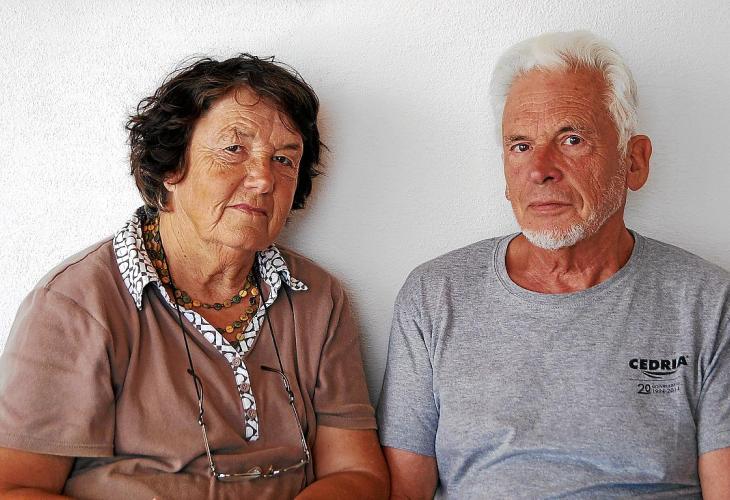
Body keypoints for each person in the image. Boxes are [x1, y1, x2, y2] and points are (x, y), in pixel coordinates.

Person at [0, 54, 388, 499]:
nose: (263, 179)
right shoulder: (78, 303)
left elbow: (358, 473)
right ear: (171, 166)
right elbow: (14, 488)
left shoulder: (316, 296)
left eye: (284, 159)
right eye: (233, 149)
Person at [377, 31, 730, 499]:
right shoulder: (435, 295)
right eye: (520, 146)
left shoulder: (707, 302)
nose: (540, 169)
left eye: (572, 139)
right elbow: (405, 491)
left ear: (634, 161)